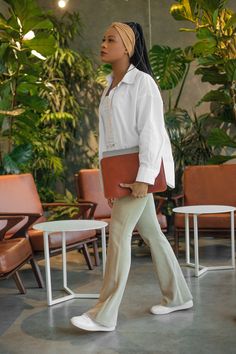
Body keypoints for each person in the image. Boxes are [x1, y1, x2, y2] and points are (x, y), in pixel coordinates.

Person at [71, 21, 193, 332]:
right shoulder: (110, 87)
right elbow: (109, 141)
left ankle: (103, 314)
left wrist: (144, 178)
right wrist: (108, 181)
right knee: (151, 233)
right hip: (121, 172)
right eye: (102, 38)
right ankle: (178, 296)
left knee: (119, 233)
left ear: (128, 46)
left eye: (110, 39)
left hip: (139, 172)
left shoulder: (143, 83)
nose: (103, 43)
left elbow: (151, 133)